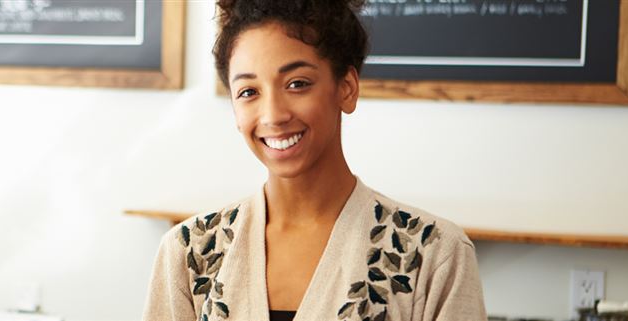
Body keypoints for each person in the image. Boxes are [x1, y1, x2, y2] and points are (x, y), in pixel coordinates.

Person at [141, 1, 487, 320]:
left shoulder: (433, 253)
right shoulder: (190, 251)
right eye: (249, 92)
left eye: (297, 83)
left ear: (347, 88)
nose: (273, 115)